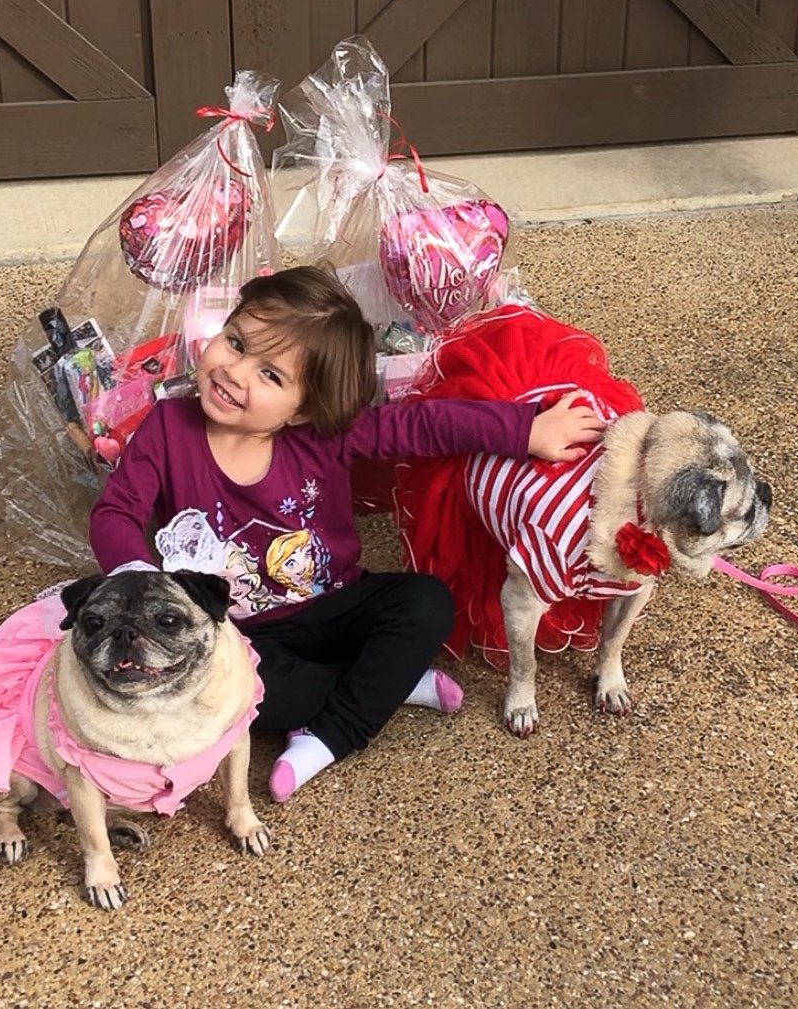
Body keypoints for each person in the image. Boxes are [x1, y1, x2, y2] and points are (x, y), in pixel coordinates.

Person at [89, 266, 605, 802]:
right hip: (240, 635)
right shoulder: (169, 427)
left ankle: (333, 732)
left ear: (304, 409)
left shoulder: (324, 435)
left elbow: (425, 427)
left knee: (428, 603)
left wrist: (524, 431)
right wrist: (138, 579)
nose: (234, 372)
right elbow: (115, 512)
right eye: (236, 342)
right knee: (241, 698)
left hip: (339, 605)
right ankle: (383, 693)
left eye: (271, 375)